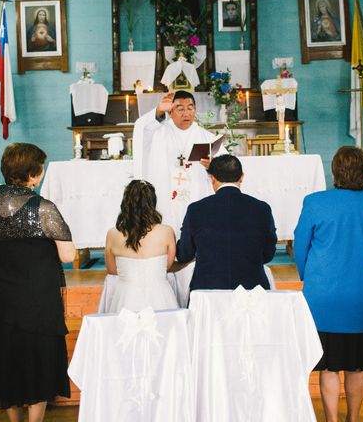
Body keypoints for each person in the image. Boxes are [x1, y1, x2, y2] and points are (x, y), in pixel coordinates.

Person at [0, 143, 75, 422]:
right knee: (38, 361)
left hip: (1, 297)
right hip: (37, 299)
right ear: (34, 173)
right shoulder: (43, 208)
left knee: (7, 359)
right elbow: (67, 256)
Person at [294, 146, 363, 422]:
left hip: (323, 293)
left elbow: (301, 247)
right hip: (361, 292)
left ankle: (333, 420)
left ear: (335, 170)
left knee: (329, 366)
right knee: (356, 365)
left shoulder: (315, 202)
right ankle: (353, 419)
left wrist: (309, 277)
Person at [132, 90, 227, 237]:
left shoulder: (206, 137)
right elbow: (141, 128)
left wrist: (212, 166)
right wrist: (158, 110)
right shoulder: (158, 132)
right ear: (170, 112)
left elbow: (226, 168)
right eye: (180, 109)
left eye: (190, 108)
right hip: (166, 196)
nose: (186, 113)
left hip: (197, 195)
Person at [177, 154, 277, 291]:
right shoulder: (262, 209)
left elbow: (184, 253)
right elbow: (268, 254)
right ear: (242, 177)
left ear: (212, 178)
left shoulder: (196, 209)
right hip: (252, 290)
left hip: (207, 290)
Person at [104, 180, 179, 312]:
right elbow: (166, 266)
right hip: (160, 296)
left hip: (125, 296)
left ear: (125, 203)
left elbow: (112, 271)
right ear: (152, 203)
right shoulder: (166, 231)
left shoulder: (112, 234)